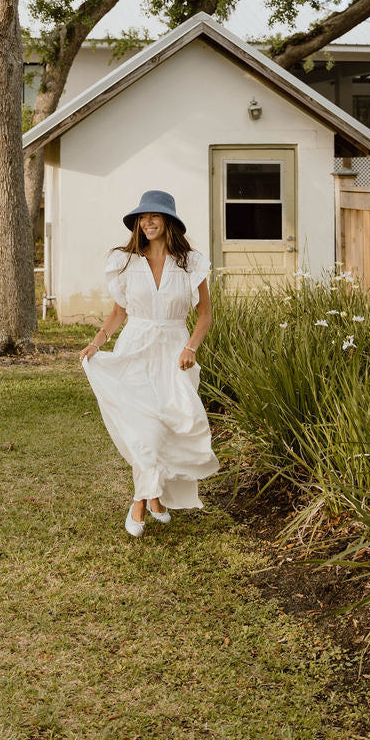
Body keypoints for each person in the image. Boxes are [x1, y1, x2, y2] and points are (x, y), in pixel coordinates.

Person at [79, 189, 220, 537]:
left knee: (169, 426)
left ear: (169, 222)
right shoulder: (125, 262)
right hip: (135, 349)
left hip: (174, 352)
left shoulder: (191, 263)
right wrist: (97, 342)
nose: (148, 223)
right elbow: (118, 312)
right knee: (143, 428)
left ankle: (154, 495)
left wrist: (191, 347)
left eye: (154, 217)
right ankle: (142, 501)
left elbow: (205, 316)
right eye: (143, 218)